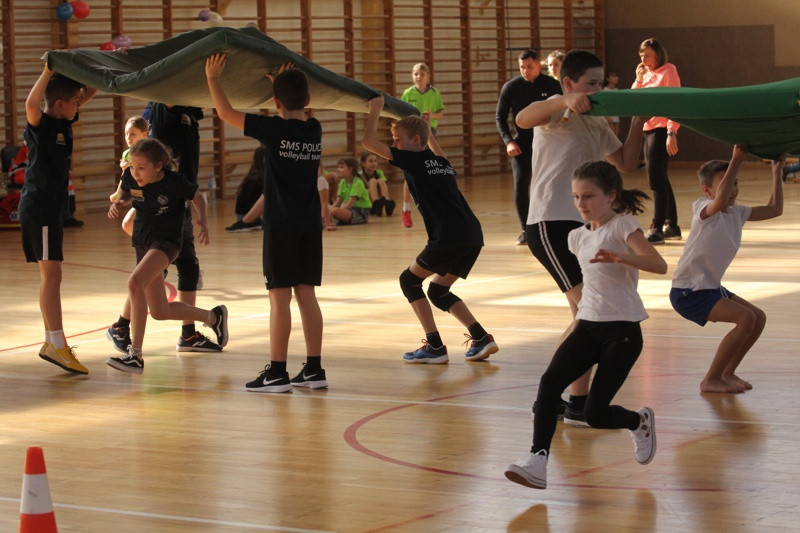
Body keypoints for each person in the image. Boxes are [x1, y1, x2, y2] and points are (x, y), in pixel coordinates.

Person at [505, 160, 667, 490]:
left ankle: (638, 421)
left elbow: (658, 264)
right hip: (588, 326)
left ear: (611, 195)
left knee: (594, 415)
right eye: (576, 197)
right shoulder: (576, 237)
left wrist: (621, 257)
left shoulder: (623, 226)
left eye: (589, 196)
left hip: (622, 332)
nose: (581, 203)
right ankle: (537, 459)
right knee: (549, 383)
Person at [515, 49, 646, 425]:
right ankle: (555, 398)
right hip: (550, 223)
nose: (598, 90)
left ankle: (575, 401)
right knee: (590, 310)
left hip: (584, 229)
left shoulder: (595, 122)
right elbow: (523, 118)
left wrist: (640, 116)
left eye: (601, 83)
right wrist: (564, 99)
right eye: (591, 83)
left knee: (584, 314)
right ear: (569, 83)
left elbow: (626, 162)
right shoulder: (556, 112)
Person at [206, 54, 328, 392]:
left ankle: (277, 373)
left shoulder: (274, 129)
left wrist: (213, 79)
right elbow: (295, 109)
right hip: (309, 226)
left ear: (275, 103)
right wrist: (282, 84)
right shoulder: (315, 129)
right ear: (308, 99)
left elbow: (225, 113)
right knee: (306, 295)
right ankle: (314, 369)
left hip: (281, 226)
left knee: (279, 298)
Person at [363, 95, 498, 364]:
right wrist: (429, 132)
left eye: (397, 140)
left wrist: (375, 111)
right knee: (438, 291)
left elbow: (368, 143)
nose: (394, 145)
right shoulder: (442, 164)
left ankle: (434, 346)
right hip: (472, 235)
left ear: (415, 140)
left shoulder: (412, 160)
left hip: (448, 237)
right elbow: (439, 153)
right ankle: (481, 337)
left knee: (408, 281)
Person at [106, 138, 228, 374]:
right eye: (133, 167)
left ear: (158, 166)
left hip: (167, 243)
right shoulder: (131, 177)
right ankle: (214, 318)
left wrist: (202, 219)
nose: (136, 173)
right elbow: (128, 192)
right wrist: (120, 203)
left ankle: (135, 355)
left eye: (141, 168)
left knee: (134, 283)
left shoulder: (174, 182)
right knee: (160, 311)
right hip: (143, 241)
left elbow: (198, 197)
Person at [670, 146, 784, 393]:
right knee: (745, 318)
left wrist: (777, 172)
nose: (733, 188)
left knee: (758, 318)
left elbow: (775, 209)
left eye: (735, 183)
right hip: (689, 292)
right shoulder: (703, 208)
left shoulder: (736, 212)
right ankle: (710, 379)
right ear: (707, 190)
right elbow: (720, 200)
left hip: (710, 288)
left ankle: (727, 372)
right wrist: (736, 159)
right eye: (726, 183)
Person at [19, 63, 96, 374]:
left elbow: (88, 92)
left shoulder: (65, 120)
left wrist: (100, 65)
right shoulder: (42, 125)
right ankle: (57, 344)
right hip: (40, 208)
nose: (80, 104)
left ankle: (53, 342)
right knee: (52, 277)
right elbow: (30, 104)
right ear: (61, 104)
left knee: (51, 277)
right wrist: (49, 70)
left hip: (49, 209)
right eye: (75, 102)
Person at [496, 49, 562, 245]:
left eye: (530, 67)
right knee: (521, 184)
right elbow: (500, 116)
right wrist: (508, 141)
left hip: (549, 141)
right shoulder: (511, 87)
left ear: (539, 65)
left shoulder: (552, 85)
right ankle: (526, 229)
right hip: (523, 142)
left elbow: (563, 111)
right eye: (522, 67)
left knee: (551, 184)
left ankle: (552, 225)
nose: (525, 71)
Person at [632, 38, 682, 244]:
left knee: (656, 181)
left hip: (661, 130)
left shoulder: (668, 71)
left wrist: (672, 132)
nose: (643, 60)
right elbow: (633, 100)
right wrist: (639, 79)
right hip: (647, 129)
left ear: (658, 55)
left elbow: (675, 102)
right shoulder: (646, 74)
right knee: (660, 178)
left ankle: (657, 227)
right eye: (641, 56)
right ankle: (672, 226)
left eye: (648, 56)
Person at [400, 63, 444, 229]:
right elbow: (400, 114)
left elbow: (441, 114)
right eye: (416, 74)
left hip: (429, 133)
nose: (419, 77)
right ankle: (406, 209)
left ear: (428, 76)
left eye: (422, 74)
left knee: (431, 170)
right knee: (410, 172)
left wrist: (431, 115)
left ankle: (433, 209)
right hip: (411, 134)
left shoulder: (435, 93)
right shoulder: (407, 93)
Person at [111, 115, 148, 237]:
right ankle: (146, 245)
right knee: (128, 224)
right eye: (126, 134)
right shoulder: (126, 154)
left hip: (153, 197)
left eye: (133, 134)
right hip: (140, 199)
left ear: (144, 134)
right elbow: (125, 177)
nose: (128, 137)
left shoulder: (150, 152)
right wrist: (118, 192)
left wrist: (132, 167)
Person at [225, 145, 266, 232]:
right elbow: (252, 202)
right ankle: (249, 223)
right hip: (246, 216)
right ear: (264, 159)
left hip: (247, 214)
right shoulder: (255, 179)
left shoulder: (257, 175)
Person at [329, 156, 372, 225]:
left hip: (361, 212)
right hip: (349, 210)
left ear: (350, 169)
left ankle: (331, 221)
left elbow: (349, 205)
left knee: (334, 211)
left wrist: (330, 213)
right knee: (327, 209)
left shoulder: (357, 183)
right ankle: (333, 221)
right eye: (338, 167)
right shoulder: (342, 182)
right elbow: (337, 203)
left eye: (341, 167)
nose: (338, 169)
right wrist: (327, 211)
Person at [360, 151, 396, 217]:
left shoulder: (379, 172)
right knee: (373, 181)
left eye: (375, 161)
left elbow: (384, 184)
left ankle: (387, 202)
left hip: (378, 196)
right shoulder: (360, 175)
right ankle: (375, 204)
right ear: (363, 163)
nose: (373, 163)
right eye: (370, 161)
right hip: (365, 200)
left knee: (380, 180)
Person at [602, 71, 621, 138]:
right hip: (608, 118)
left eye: (616, 76)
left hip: (616, 117)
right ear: (608, 79)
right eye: (613, 76)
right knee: (610, 137)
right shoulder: (604, 91)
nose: (616, 78)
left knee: (616, 138)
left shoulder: (617, 91)